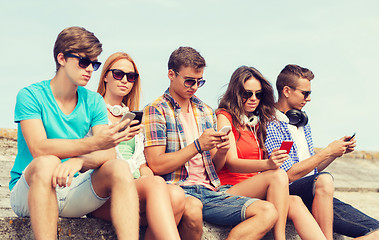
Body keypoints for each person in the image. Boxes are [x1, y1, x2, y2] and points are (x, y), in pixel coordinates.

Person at [9, 27, 139, 240]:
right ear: (61, 58)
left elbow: (108, 154)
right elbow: (39, 148)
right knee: (47, 162)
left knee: (119, 167)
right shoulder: (30, 95)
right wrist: (94, 143)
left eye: (94, 64)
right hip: (30, 191)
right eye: (83, 62)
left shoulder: (94, 100)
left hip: (71, 188)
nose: (89, 69)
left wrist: (78, 162)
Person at [143, 47, 279, 240]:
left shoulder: (205, 111)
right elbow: (156, 164)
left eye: (200, 82)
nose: (195, 87)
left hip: (210, 190)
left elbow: (215, 167)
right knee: (193, 210)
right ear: (171, 74)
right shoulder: (156, 110)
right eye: (190, 81)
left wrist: (222, 151)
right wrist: (197, 146)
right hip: (177, 190)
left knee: (268, 211)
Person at [265, 64, 379, 239]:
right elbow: (288, 175)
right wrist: (327, 151)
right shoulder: (272, 123)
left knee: (376, 230)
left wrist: (334, 153)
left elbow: (312, 169)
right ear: (287, 91)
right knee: (324, 179)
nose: (309, 99)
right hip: (290, 192)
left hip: (315, 191)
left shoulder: (302, 122)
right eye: (305, 93)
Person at [216, 66, 327, 240]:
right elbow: (231, 161)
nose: (253, 99)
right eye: (247, 93)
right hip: (229, 189)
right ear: (236, 93)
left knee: (295, 201)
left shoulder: (257, 125)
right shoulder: (225, 116)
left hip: (257, 191)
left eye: (258, 94)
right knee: (277, 175)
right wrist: (268, 164)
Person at [93, 52, 185, 239]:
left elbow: (142, 164)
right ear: (105, 77)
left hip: (136, 190)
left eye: (131, 77)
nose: (125, 80)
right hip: (106, 192)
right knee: (158, 185)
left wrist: (146, 178)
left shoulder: (133, 117)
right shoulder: (93, 111)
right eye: (118, 74)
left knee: (176, 195)